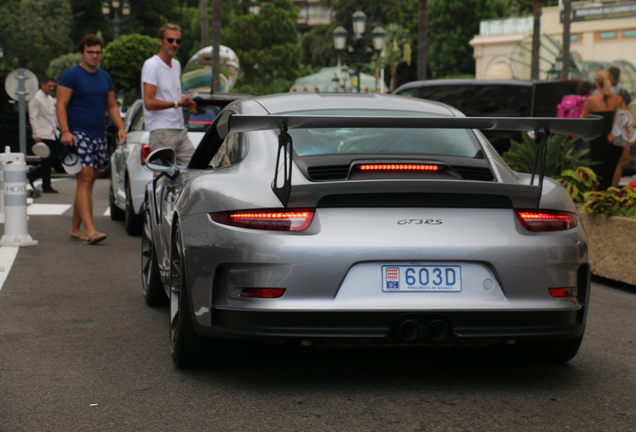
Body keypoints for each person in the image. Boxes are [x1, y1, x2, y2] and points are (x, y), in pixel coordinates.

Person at [56, 34, 127, 245]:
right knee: (85, 179)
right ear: (82, 52)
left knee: (89, 181)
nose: (95, 56)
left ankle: (74, 228)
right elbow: (60, 104)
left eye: (98, 52)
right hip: (78, 133)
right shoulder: (71, 75)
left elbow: (112, 105)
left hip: (99, 134)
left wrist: (121, 127)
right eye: (90, 52)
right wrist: (65, 131)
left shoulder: (105, 77)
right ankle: (90, 230)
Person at [141, 23, 197, 168]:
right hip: (161, 130)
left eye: (178, 41)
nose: (174, 44)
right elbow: (149, 102)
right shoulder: (152, 65)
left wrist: (187, 102)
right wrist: (178, 104)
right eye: (170, 40)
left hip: (179, 128)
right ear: (160, 41)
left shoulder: (176, 65)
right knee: (163, 177)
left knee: (194, 169)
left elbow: (172, 96)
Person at [581, 69, 627, 191]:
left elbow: (583, 121)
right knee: (611, 172)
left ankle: (599, 200)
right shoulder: (618, 99)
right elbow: (624, 120)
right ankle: (610, 199)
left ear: (597, 83)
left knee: (599, 175)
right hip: (614, 141)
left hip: (598, 142)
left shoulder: (591, 101)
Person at [28, 76, 60, 193]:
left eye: (52, 86)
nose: (51, 88)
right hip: (43, 134)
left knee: (55, 159)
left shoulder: (50, 99)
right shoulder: (36, 99)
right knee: (47, 161)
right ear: (42, 85)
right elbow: (33, 117)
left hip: (53, 133)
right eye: (49, 86)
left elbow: (54, 116)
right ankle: (46, 185)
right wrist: (36, 134)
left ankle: (33, 174)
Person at [608, 66, 633, 187]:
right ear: (618, 79)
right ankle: (612, 189)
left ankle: (602, 189)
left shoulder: (596, 93)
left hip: (602, 131)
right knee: (618, 162)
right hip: (619, 131)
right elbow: (626, 112)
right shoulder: (621, 93)